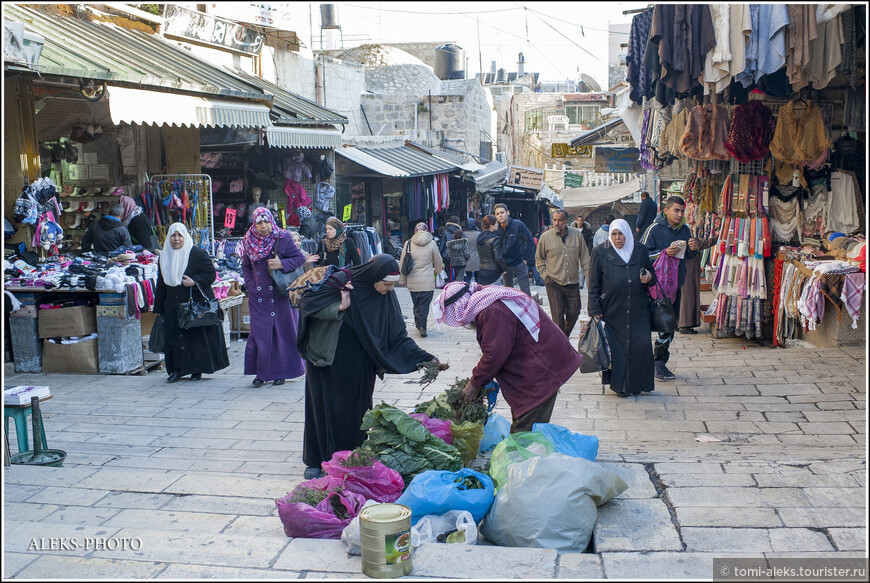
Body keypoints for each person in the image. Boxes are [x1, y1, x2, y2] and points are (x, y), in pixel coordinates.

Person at [297, 254, 439, 478]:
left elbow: (396, 335)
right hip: (328, 360)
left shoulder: (384, 296)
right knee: (323, 409)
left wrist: (424, 358)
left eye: (393, 285)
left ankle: (352, 457)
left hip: (359, 365)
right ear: (374, 277)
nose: (390, 290)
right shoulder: (342, 281)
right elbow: (308, 305)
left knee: (356, 413)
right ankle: (317, 461)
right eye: (387, 284)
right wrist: (340, 306)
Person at [432, 281, 581, 433]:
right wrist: (486, 379)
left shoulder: (492, 310)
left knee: (524, 432)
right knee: (525, 422)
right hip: (538, 363)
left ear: (458, 307)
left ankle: (522, 456)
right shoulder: (486, 298)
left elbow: (495, 353)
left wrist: (475, 383)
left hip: (542, 368)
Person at [587, 218, 657, 397]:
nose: (617, 238)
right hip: (613, 308)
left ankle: (638, 384)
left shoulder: (640, 250)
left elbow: (651, 273)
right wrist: (594, 310)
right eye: (614, 234)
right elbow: (593, 283)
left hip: (638, 307)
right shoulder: (600, 251)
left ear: (627, 234)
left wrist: (649, 277)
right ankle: (621, 386)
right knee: (618, 349)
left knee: (640, 346)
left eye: (621, 234)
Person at [153, 223, 229, 383]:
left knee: (194, 338)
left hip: (193, 304)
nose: (176, 239)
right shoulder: (164, 256)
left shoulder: (197, 254)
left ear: (185, 237)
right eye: (173, 235)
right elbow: (161, 283)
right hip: (172, 305)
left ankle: (197, 369)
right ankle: (177, 370)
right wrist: (159, 308)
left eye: (180, 235)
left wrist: (194, 281)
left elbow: (210, 275)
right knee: (174, 338)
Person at [241, 207, 307, 387]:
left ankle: (281, 372)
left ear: (272, 221)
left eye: (266, 222)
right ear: (254, 223)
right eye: (259, 223)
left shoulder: (283, 237)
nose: (263, 226)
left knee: (282, 334)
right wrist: (251, 285)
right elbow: (245, 266)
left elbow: (299, 258)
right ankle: (260, 373)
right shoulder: (248, 240)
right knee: (260, 335)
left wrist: (281, 264)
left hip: (279, 294)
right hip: (258, 296)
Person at [641, 195, 699, 381]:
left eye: (682, 211)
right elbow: (641, 254)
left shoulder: (685, 230)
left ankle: (659, 362)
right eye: (676, 210)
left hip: (675, 286)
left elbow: (688, 257)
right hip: (654, 287)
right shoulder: (654, 229)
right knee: (651, 324)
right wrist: (663, 253)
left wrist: (693, 248)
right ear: (665, 210)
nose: (680, 214)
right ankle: (647, 362)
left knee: (668, 326)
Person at [535, 209, 591, 338]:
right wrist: (545, 276)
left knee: (574, 313)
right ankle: (561, 347)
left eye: (560, 220)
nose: (556, 223)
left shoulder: (577, 235)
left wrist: (589, 278)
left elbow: (585, 259)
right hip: (553, 282)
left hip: (572, 282)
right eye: (554, 220)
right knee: (558, 318)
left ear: (566, 221)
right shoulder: (545, 237)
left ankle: (562, 340)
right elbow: (539, 259)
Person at [398, 222, 443, 337]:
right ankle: (422, 326)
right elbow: (438, 261)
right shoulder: (432, 243)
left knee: (416, 303)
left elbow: (402, 263)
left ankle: (419, 324)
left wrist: (402, 280)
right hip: (427, 281)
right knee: (424, 305)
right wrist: (437, 271)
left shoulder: (408, 243)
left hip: (413, 281)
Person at [678, 231, 717, 334]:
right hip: (689, 270)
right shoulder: (688, 238)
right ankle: (685, 324)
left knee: (686, 296)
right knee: (688, 296)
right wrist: (718, 237)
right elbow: (703, 243)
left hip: (688, 269)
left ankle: (682, 322)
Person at [494, 203, 534, 296]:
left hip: (519, 262)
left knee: (525, 292)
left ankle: (528, 309)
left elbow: (531, 241)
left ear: (508, 212)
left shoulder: (518, 225)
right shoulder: (496, 228)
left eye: (502, 212)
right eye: (497, 214)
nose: (500, 215)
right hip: (505, 264)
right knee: (508, 292)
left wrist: (525, 259)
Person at [476, 214, 507, 285]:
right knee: (494, 293)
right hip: (494, 271)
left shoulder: (480, 238)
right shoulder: (494, 239)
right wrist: (505, 268)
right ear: (491, 226)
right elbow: (498, 257)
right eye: (496, 223)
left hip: (482, 269)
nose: (498, 224)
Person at [463, 217, 480, 283]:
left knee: (468, 276)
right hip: (477, 257)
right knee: (478, 277)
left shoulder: (464, 234)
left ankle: (466, 291)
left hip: (467, 257)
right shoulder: (478, 234)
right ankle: (478, 291)